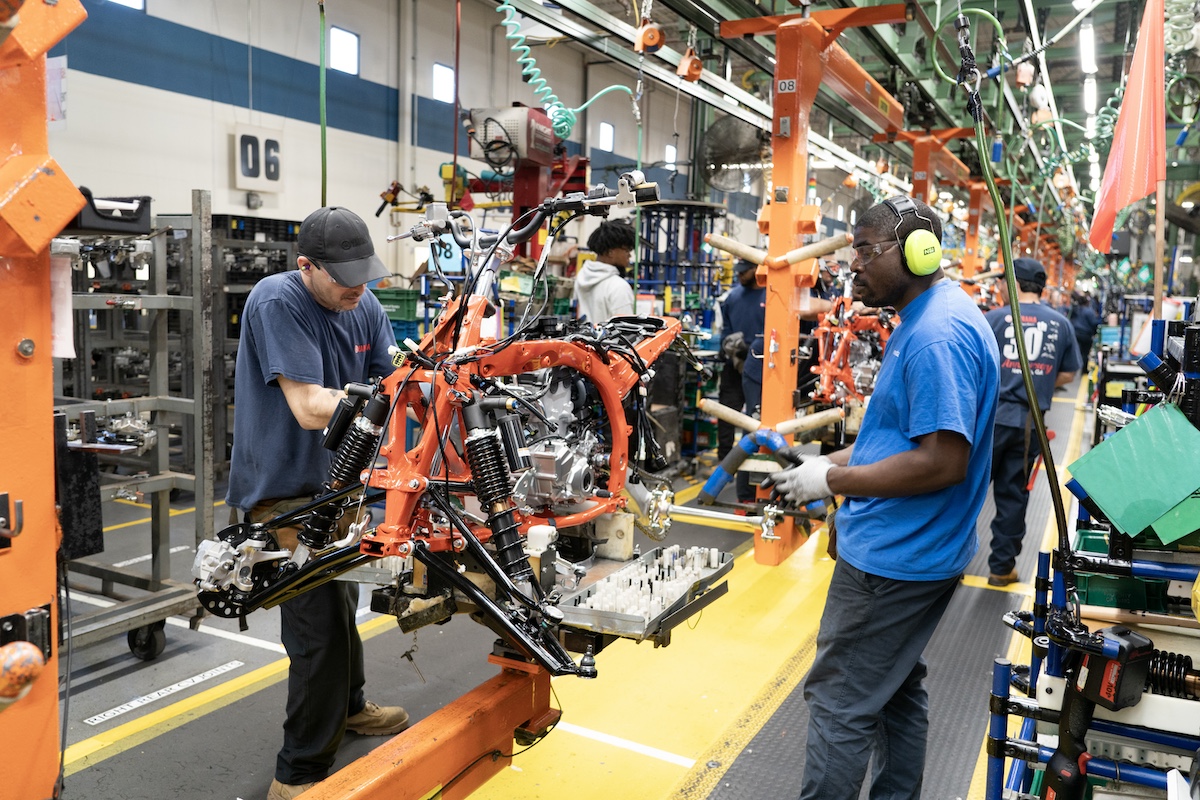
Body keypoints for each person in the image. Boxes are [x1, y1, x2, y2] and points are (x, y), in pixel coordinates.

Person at [763, 196, 1000, 798]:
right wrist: (830, 463)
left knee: (840, 701)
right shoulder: (929, 316)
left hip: (896, 560)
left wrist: (834, 482)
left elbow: (943, 461)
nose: (855, 266)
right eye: (853, 251)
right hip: (923, 550)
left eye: (866, 251)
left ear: (919, 253)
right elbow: (897, 437)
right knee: (894, 689)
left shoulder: (934, 338)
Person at [226, 206, 409, 800]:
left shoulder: (365, 303)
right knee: (318, 634)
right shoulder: (277, 302)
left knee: (343, 603)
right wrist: (388, 399)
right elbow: (307, 407)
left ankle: (350, 708)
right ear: (306, 267)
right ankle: (298, 773)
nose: (359, 287)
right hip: (283, 494)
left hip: (339, 488)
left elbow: (394, 385)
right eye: (344, 277)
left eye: (365, 273)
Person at [983, 258, 1081, 586]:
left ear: (1014, 282)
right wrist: (1038, 380)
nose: (998, 286)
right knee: (1013, 495)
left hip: (988, 420)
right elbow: (1068, 372)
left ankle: (944, 564)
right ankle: (1000, 568)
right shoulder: (1060, 323)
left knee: (965, 489)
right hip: (1030, 425)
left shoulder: (993, 319)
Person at [717, 259, 766, 503]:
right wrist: (729, 346)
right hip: (734, 365)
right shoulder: (732, 297)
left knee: (754, 422)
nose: (738, 276)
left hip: (759, 368)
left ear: (756, 269)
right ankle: (725, 463)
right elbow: (725, 330)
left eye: (743, 272)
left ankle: (750, 473)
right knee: (726, 414)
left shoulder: (771, 295)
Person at [572, 219, 636, 322]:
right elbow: (627, 331)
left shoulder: (581, 277)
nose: (629, 255)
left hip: (584, 337)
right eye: (627, 250)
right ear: (610, 252)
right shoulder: (618, 287)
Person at [1069, 290, 1100, 368]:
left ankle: (1075, 366)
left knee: (1077, 351)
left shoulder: (1076, 310)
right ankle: (1083, 368)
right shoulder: (1089, 311)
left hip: (1076, 333)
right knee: (1085, 353)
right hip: (1086, 335)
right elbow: (1094, 323)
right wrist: (1094, 333)